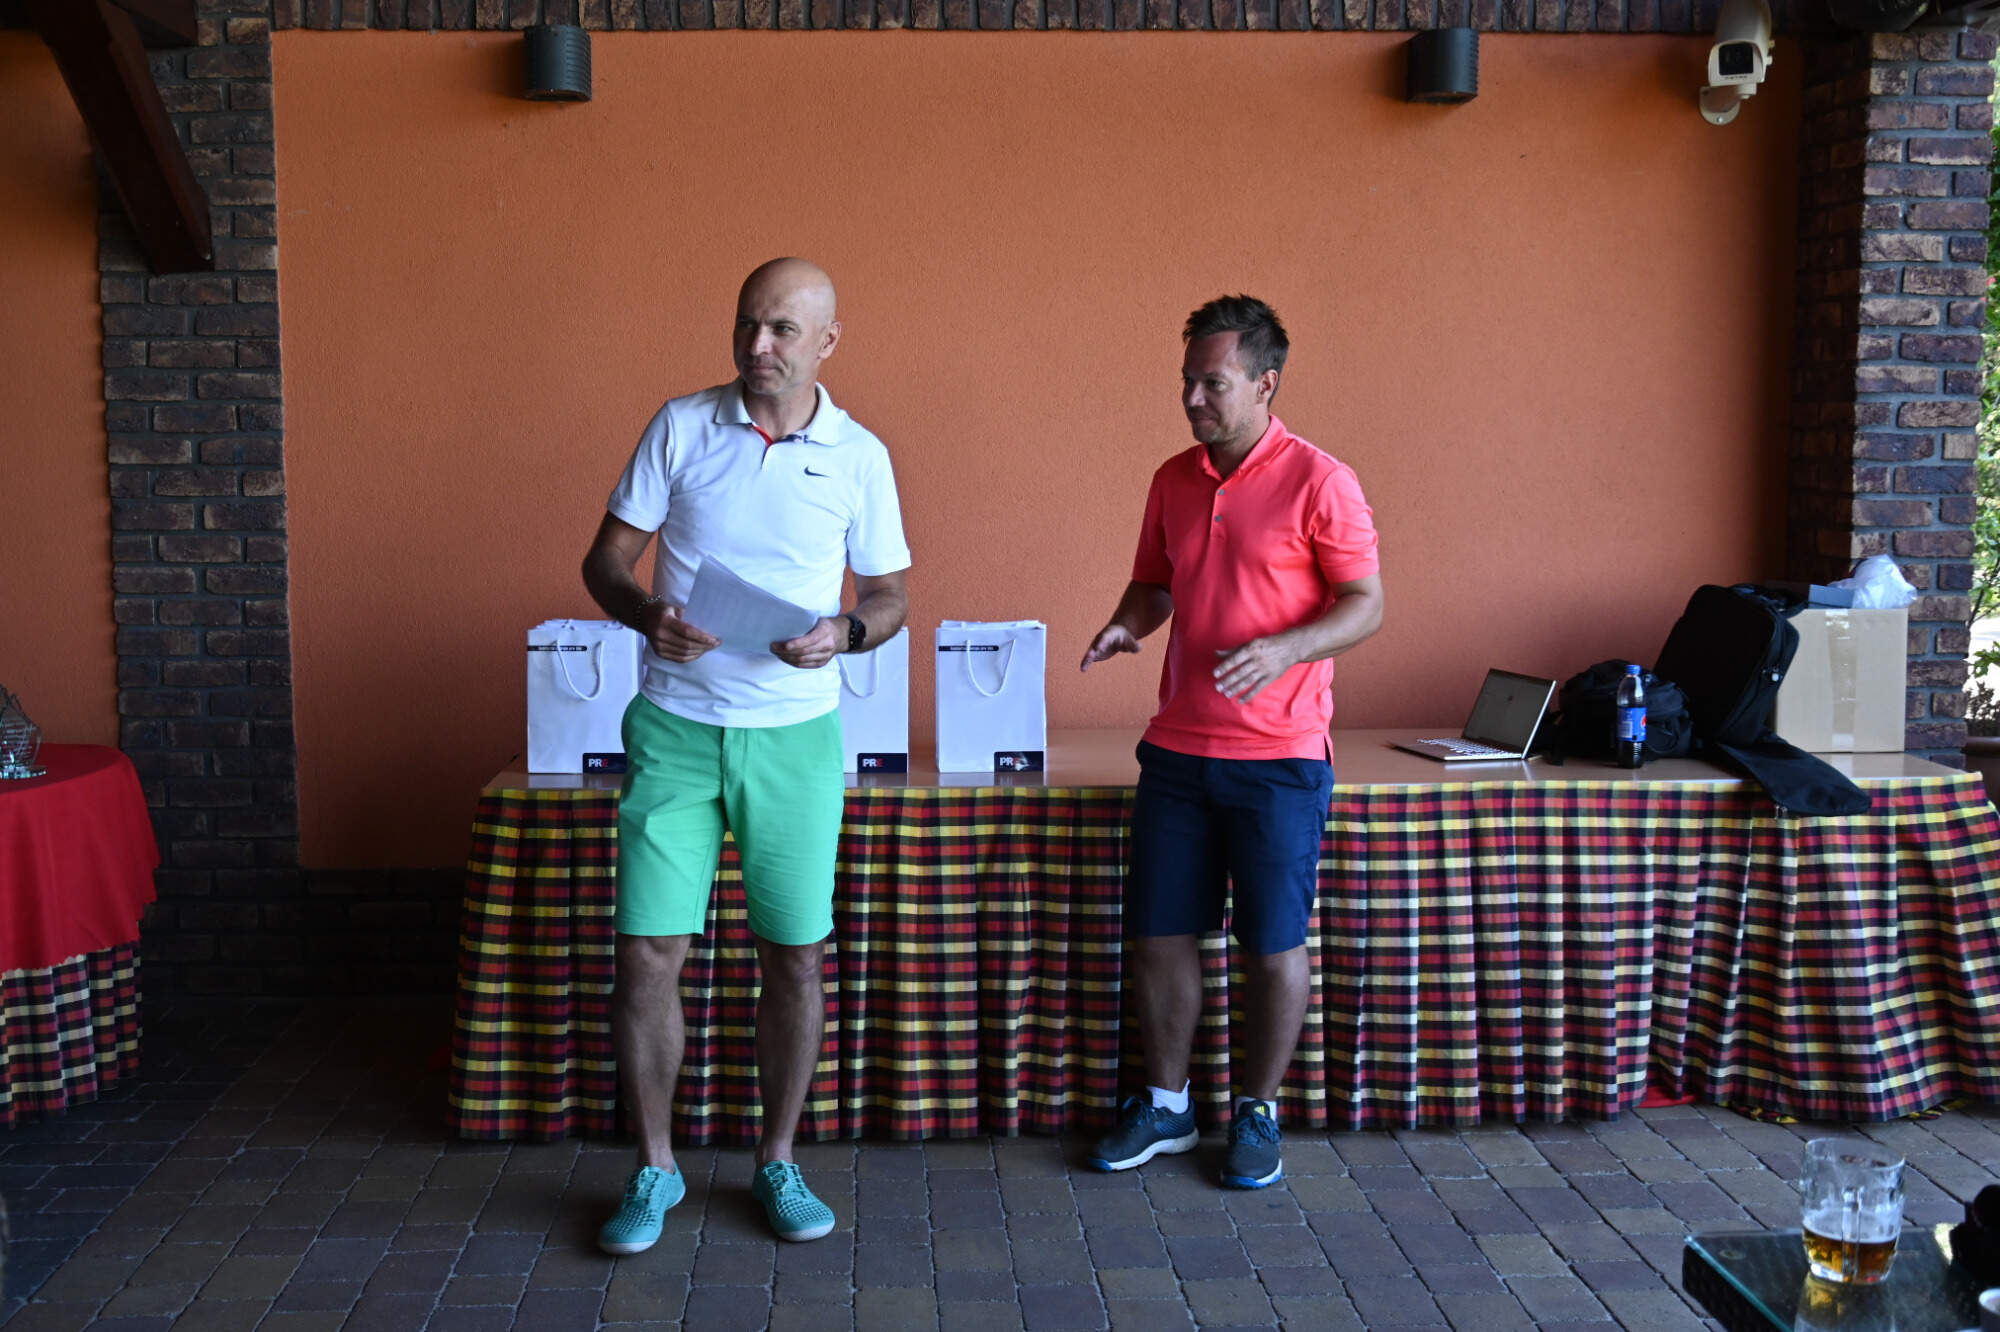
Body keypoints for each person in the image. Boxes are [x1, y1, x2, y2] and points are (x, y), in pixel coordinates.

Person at [581, 258, 910, 1252]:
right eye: (745, 326)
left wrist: (844, 633)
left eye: (780, 329)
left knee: (795, 956)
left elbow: (890, 596)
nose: (756, 346)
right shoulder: (680, 425)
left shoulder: (860, 456)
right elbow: (605, 560)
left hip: (796, 738)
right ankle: (653, 1168)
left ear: (827, 342)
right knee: (646, 954)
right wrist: (647, 612)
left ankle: (777, 1159)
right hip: (675, 728)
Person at [1079, 294, 1383, 1189]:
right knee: (1161, 937)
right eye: (1187, 381)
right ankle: (1167, 1106)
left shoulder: (1323, 480)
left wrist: (1288, 648)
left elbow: (1366, 604)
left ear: (1264, 383)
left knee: (1271, 944)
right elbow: (1155, 584)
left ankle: (1256, 1109)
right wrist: (1126, 624)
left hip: (1280, 758)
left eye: (1212, 383)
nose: (1192, 398)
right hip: (1177, 751)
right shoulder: (1172, 479)